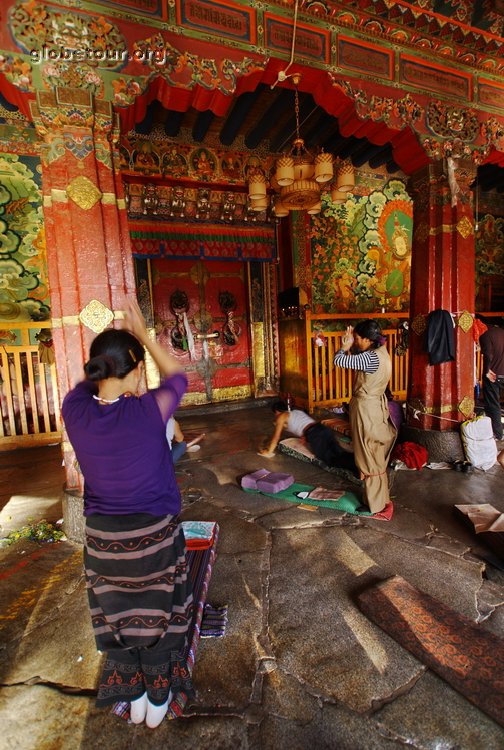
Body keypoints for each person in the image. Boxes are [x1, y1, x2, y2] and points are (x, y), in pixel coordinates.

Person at [61, 298, 193, 729]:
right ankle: (159, 695)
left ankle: (133, 693)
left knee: (117, 617)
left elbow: (88, 385)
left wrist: (123, 362)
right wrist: (145, 335)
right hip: (154, 538)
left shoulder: (74, 411)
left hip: (102, 543)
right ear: (137, 369)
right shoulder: (147, 411)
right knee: (161, 617)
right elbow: (178, 375)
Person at [333, 320, 397, 513]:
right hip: (376, 406)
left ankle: (374, 505)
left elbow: (339, 361)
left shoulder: (370, 358)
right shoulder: (382, 353)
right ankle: (380, 498)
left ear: (368, 340)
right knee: (375, 453)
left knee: (366, 454)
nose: (356, 341)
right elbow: (360, 360)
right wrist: (353, 346)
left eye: (358, 338)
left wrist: (344, 347)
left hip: (366, 409)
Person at [258, 400, 358, 475]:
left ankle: (358, 468)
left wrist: (268, 452)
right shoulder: (297, 412)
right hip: (322, 429)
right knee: (339, 452)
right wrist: (305, 437)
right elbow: (305, 424)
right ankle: (361, 463)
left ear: (276, 412)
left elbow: (276, 437)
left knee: (331, 460)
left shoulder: (281, 417)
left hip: (315, 434)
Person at [479, 318, 504, 440]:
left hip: (494, 374)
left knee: (493, 404)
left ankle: (497, 434)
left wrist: (487, 371)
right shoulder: (501, 331)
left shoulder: (485, 333)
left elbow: (488, 354)